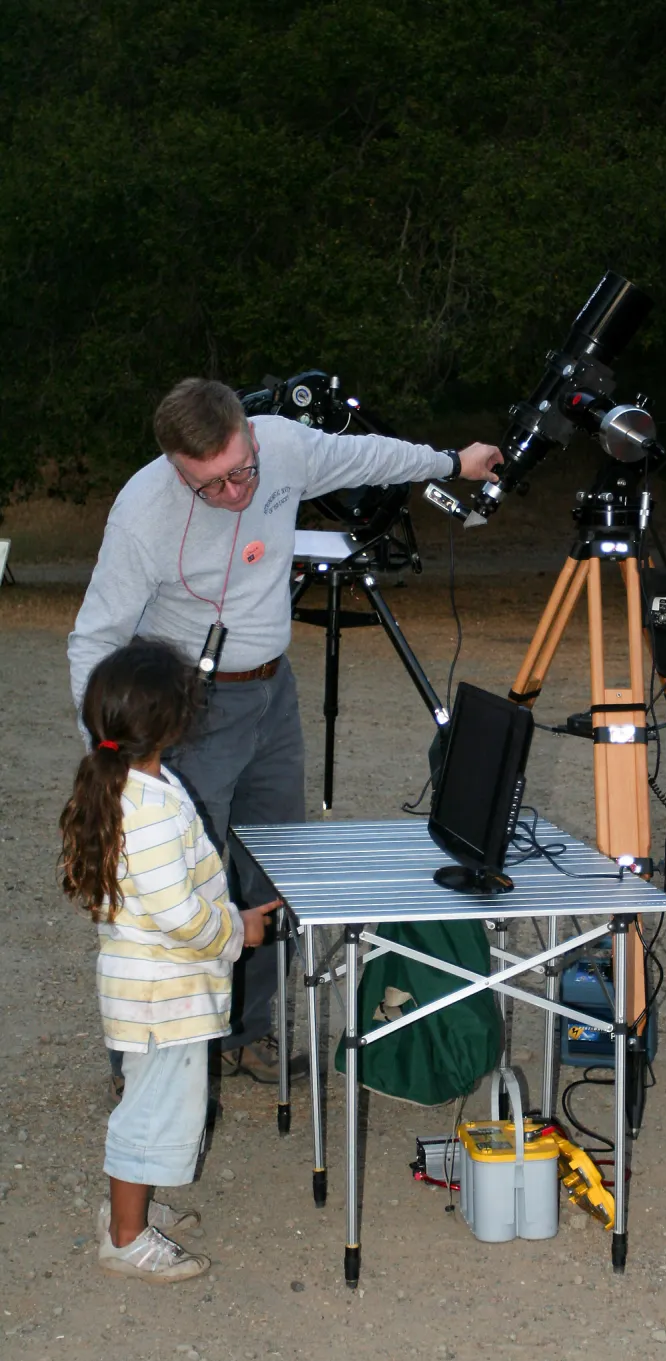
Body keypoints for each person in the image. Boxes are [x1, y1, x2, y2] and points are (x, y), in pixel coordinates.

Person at [68, 378, 503, 1089]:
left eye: (242, 473)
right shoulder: (142, 512)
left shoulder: (284, 444)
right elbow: (94, 639)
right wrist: (109, 756)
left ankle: (248, 1032)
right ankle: (148, 1063)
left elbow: (366, 457)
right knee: (177, 880)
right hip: (185, 712)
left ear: (250, 434)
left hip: (270, 693)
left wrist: (450, 463)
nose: (234, 493)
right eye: (208, 485)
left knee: (272, 870)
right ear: (176, 465)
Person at [59, 639, 282, 1282]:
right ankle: (126, 1238)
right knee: (154, 1112)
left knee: (159, 1106)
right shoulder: (147, 808)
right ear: (172, 724)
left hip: (161, 989)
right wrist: (237, 931)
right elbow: (181, 915)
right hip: (166, 997)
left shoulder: (137, 782)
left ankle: (129, 1213)